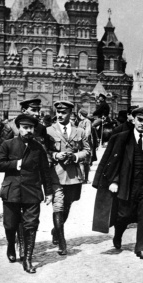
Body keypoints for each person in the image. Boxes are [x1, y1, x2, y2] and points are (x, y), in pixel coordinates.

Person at [92, 107, 143, 260]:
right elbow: (113, 161)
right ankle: (118, 233)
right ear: (133, 119)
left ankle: (141, 248)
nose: (142, 124)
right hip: (127, 183)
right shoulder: (121, 138)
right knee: (124, 214)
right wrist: (113, 181)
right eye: (140, 120)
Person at [0, 98, 50, 260]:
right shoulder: (10, 127)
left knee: (29, 222)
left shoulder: (41, 128)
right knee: (11, 223)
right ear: (24, 111)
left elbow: (44, 151)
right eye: (33, 110)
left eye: (38, 110)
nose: (37, 113)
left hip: (32, 180)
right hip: (14, 180)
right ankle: (12, 244)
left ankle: (24, 251)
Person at [47, 101, 90, 255]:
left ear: (71, 113)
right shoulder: (49, 131)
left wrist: (75, 156)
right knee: (58, 205)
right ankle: (62, 241)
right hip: (56, 175)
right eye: (58, 111)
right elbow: (43, 151)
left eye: (63, 112)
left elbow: (87, 151)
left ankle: (55, 230)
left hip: (73, 175)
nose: (59, 115)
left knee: (68, 205)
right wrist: (55, 155)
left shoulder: (80, 132)